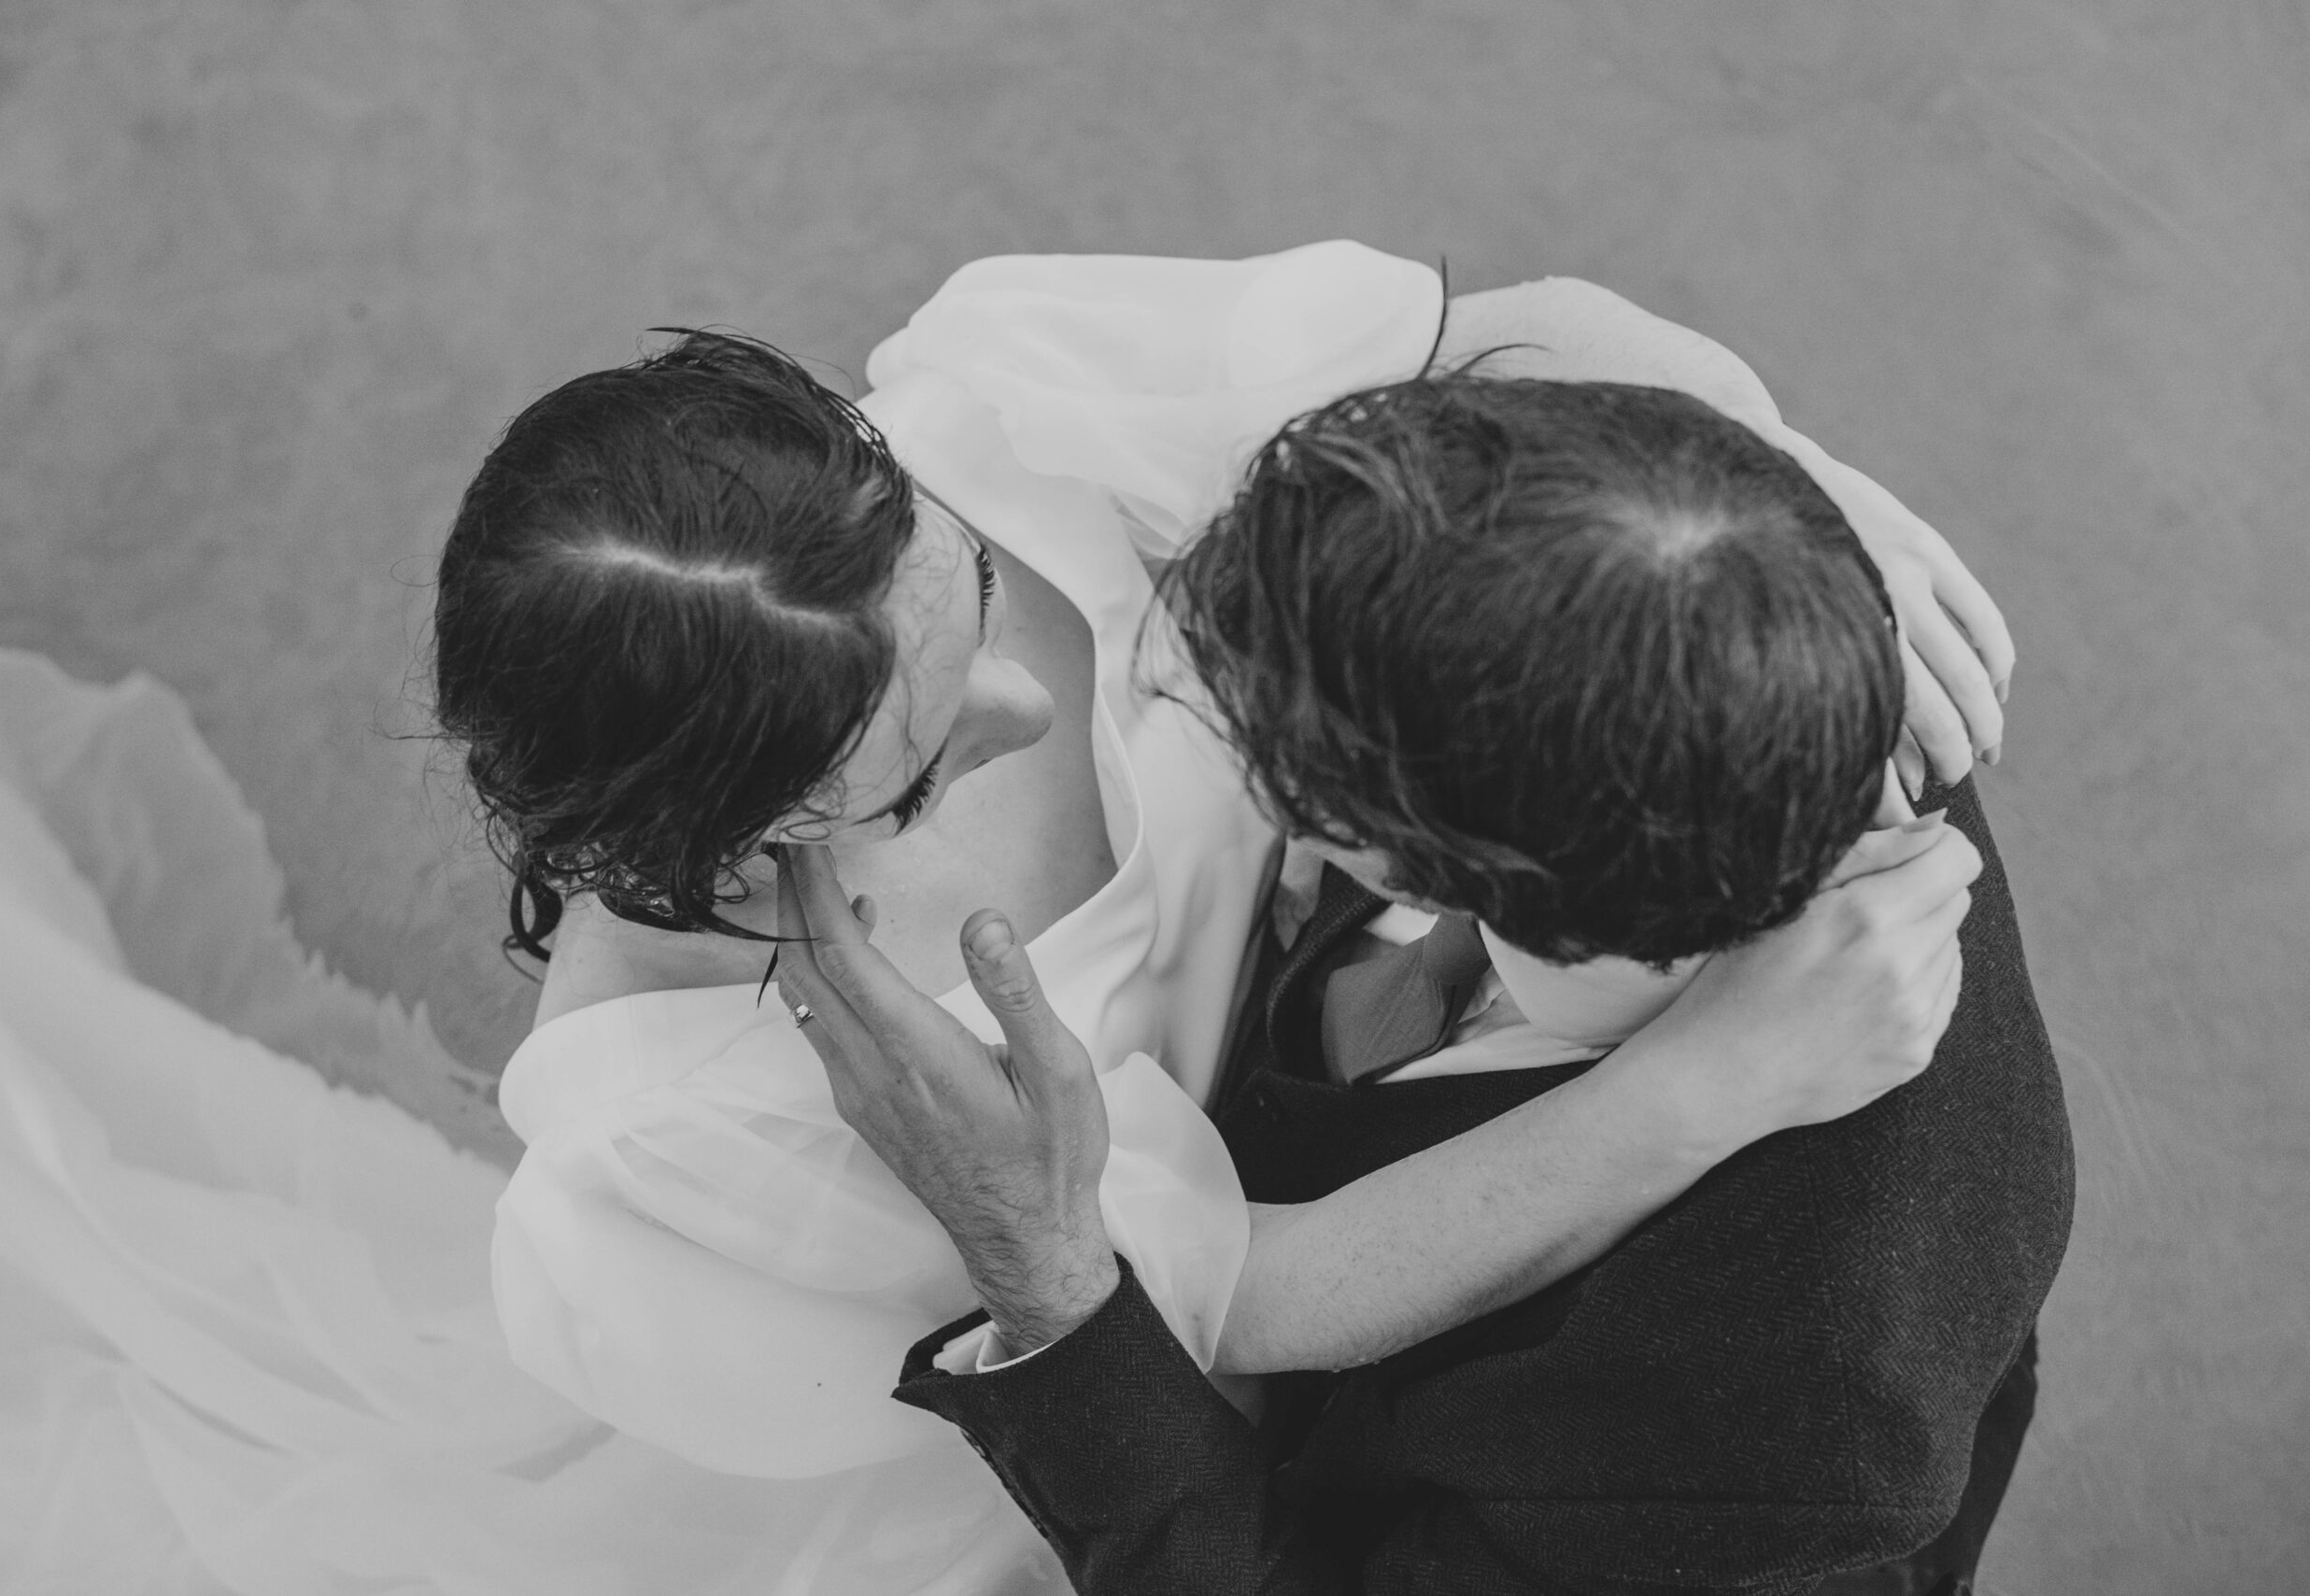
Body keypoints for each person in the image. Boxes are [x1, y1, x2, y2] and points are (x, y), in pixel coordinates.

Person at [455, 244, 2013, 1591]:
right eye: (924, 773)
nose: (1113, 682)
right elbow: (1231, 1286)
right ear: (768, 831)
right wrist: (1689, 1092)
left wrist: (1769, 499)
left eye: (980, 588)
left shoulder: (1008, 392)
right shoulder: (736, 1111)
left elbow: (1493, 339)